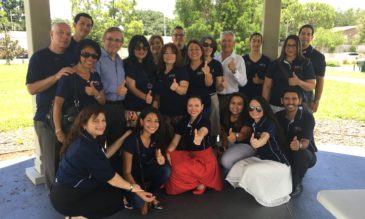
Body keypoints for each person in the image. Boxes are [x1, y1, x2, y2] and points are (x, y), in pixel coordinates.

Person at [49, 105, 154, 218]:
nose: (101, 124)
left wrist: (123, 137)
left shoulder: (84, 139)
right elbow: (113, 179)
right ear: (84, 124)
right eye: (96, 121)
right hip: (67, 199)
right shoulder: (85, 148)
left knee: (112, 191)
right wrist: (135, 189)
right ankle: (76, 216)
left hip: (63, 192)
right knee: (118, 199)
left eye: (103, 120)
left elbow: (105, 154)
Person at [26, 22, 73, 190]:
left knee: (69, 158)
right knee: (51, 162)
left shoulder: (71, 57)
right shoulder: (39, 58)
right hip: (46, 119)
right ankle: (54, 197)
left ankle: (67, 196)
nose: (65, 37)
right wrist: (56, 76)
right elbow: (31, 89)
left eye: (68, 34)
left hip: (70, 117)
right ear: (51, 34)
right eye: (60, 33)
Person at [226, 96, 292, 207]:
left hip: (279, 164)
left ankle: (266, 193)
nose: (254, 111)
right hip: (264, 159)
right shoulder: (254, 123)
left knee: (250, 170)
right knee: (239, 166)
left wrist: (259, 142)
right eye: (251, 108)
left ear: (264, 109)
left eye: (258, 109)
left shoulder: (269, 123)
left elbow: (265, 136)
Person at [165, 96, 223, 195]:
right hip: (191, 155)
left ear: (202, 107)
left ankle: (201, 182)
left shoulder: (204, 121)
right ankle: (198, 181)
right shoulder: (184, 120)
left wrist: (199, 137)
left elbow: (203, 130)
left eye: (197, 106)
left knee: (179, 168)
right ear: (187, 107)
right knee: (171, 159)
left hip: (205, 161)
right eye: (190, 105)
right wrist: (168, 152)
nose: (193, 109)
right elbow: (175, 142)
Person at [53, 39, 105, 144]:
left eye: (94, 56)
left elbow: (103, 101)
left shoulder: (95, 75)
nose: (90, 58)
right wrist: (58, 131)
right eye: (86, 54)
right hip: (75, 127)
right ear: (79, 55)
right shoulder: (68, 75)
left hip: (95, 128)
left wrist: (95, 93)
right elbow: (57, 104)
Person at [122, 107, 171, 215]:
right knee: (140, 206)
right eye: (149, 120)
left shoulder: (157, 137)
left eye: (156, 121)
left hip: (146, 172)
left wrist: (162, 161)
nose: (153, 124)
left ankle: (151, 195)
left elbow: (161, 162)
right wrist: (140, 193)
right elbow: (126, 173)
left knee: (166, 170)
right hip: (132, 177)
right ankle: (135, 197)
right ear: (141, 121)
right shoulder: (131, 140)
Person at [94, 27, 127, 174]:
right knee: (100, 144)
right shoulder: (97, 59)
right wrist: (115, 91)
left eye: (117, 40)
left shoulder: (119, 60)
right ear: (103, 39)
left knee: (116, 144)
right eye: (110, 39)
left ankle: (114, 177)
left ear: (122, 43)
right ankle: (100, 179)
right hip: (104, 107)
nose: (114, 43)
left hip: (119, 107)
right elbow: (95, 84)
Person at [275, 87, 317, 198]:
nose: (290, 102)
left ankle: (297, 183)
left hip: (306, 154)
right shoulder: (277, 117)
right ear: (282, 101)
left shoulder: (307, 117)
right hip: (286, 153)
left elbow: (306, 142)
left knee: (300, 152)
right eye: (287, 98)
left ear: (299, 101)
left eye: (294, 99)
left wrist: (299, 145)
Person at [262, 34, 316, 113]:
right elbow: (267, 86)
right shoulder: (275, 64)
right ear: (284, 47)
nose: (290, 48)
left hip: (297, 108)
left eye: (294, 46)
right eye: (288, 45)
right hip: (276, 106)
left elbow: (311, 86)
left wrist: (298, 82)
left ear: (298, 47)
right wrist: (265, 106)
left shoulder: (306, 63)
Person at [153, 43, 189, 142]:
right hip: (163, 115)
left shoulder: (181, 70)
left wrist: (177, 87)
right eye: (166, 53)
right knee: (164, 142)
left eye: (172, 53)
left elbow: (184, 90)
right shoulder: (159, 72)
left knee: (178, 145)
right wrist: (155, 100)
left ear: (177, 56)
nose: (169, 56)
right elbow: (157, 91)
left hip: (179, 115)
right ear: (162, 56)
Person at [220, 92, 255, 172]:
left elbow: (245, 134)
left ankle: (239, 177)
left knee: (225, 161)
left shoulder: (248, 117)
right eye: (233, 103)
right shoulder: (224, 113)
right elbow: (223, 131)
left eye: (239, 104)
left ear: (244, 106)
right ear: (229, 103)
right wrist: (224, 145)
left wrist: (235, 136)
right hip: (229, 142)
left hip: (246, 145)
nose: (235, 106)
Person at [124, 35, 156, 114]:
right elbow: (131, 87)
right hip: (132, 108)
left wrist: (155, 100)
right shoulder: (128, 63)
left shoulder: (151, 64)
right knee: (132, 126)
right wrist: (146, 97)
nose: (141, 50)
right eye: (138, 48)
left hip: (149, 107)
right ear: (132, 48)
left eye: (144, 48)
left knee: (149, 127)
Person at [216, 31, 247, 111]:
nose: (226, 43)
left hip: (231, 99)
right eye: (224, 40)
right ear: (220, 42)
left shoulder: (239, 59)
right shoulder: (215, 58)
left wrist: (234, 71)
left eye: (229, 41)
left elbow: (243, 83)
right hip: (215, 98)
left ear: (234, 43)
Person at [200, 36, 224, 142]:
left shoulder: (217, 64)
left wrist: (222, 86)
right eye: (205, 45)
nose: (208, 48)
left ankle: (216, 144)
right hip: (197, 99)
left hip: (212, 97)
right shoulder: (195, 62)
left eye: (211, 45)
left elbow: (219, 87)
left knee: (215, 125)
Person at [299, 24, 326, 113]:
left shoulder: (319, 57)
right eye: (303, 33)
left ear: (312, 37)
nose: (305, 36)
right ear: (299, 35)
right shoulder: (290, 52)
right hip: (289, 96)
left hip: (307, 97)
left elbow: (320, 80)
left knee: (305, 124)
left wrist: (316, 101)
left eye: (308, 34)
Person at [186, 40, 213, 117]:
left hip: (204, 105)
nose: (194, 51)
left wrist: (207, 73)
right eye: (191, 49)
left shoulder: (206, 66)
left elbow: (209, 84)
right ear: (187, 52)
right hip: (189, 106)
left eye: (197, 49)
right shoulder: (184, 68)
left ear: (201, 51)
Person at [241, 32, 271, 100]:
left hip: (259, 95)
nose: (256, 44)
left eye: (258, 41)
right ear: (250, 42)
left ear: (261, 43)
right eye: (254, 41)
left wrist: (260, 81)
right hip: (244, 95)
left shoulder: (267, 60)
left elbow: (271, 81)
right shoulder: (243, 59)